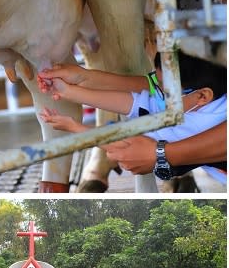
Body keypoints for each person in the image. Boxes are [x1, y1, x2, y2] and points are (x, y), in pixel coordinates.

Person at [37, 52, 226, 182]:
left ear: (202, 96)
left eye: (163, 87)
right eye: (155, 81)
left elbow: (126, 147)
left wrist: (75, 128)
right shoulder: (204, 101)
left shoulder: (194, 125)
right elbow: (135, 102)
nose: (154, 90)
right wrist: (69, 91)